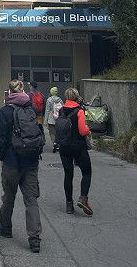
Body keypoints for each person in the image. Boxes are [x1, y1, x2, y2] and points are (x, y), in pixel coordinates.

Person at [0, 79, 43, 253]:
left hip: (12, 162)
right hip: (31, 161)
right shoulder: (32, 108)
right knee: (31, 200)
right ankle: (34, 239)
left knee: (9, 196)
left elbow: (1, 139)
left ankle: (5, 227)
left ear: (9, 92)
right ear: (23, 91)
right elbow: (39, 132)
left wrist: (3, 157)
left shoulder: (5, 112)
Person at [56, 88, 93, 216]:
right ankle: (83, 198)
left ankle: (69, 204)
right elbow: (82, 130)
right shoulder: (79, 111)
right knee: (87, 172)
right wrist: (88, 130)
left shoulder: (61, 110)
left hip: (64, 146)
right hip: (78, 146)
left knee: (68, 174)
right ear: (77, 97)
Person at [44, 87, 63, 151]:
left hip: (51, 119)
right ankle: (58, 144)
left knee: (52, 133)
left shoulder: (49, 100)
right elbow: (62, 109)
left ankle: (54, 143)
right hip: (58, 119)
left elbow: (47, 110)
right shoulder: (60, 100)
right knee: (58, 132)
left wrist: (45, 120)